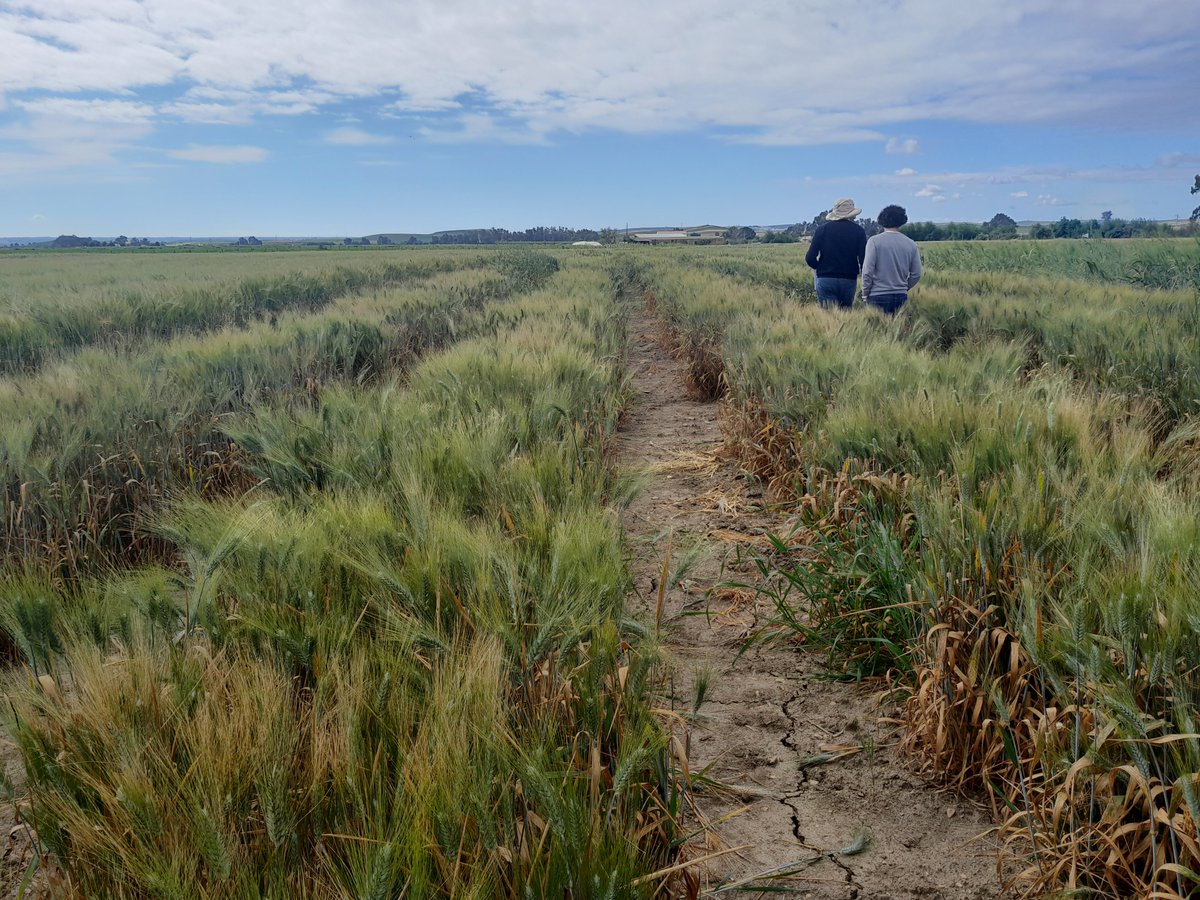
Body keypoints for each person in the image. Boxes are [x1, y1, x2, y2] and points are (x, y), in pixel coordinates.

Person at [805, 198, 867, 309]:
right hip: (849, 279)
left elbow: (810, 258)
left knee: (828, 320)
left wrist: (821, 268)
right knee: (845, 316)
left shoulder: (821, 230)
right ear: (851, 214)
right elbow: (864, 260)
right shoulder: (859, 231)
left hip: (825, 278)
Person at [861, 204, 922, 315]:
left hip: (877, 295)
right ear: (902, 221)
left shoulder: (874, 241)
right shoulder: (911, 243)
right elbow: (916, 274)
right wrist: (903, 287)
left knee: (878, 331)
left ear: (881, 220)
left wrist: (865, 294)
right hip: (901, 296)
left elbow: (867, 271)